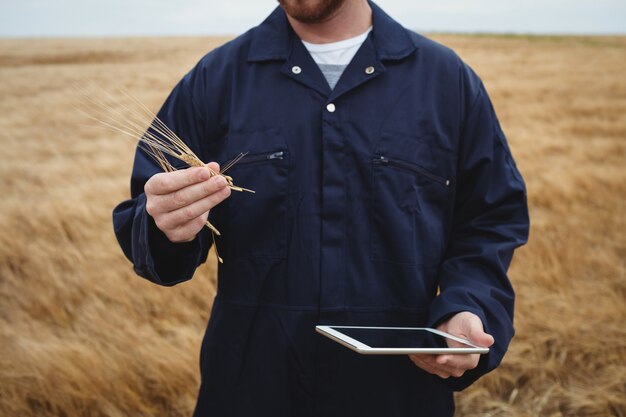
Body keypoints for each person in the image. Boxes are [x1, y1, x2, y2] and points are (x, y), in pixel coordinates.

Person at [112, 0, 530, 415]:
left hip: (397, 395)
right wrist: (163, 225)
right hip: (251, 393)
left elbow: (490, 220)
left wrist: (467, 305)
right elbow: (145, 217)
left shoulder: (446, 81)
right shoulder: (215, 80)